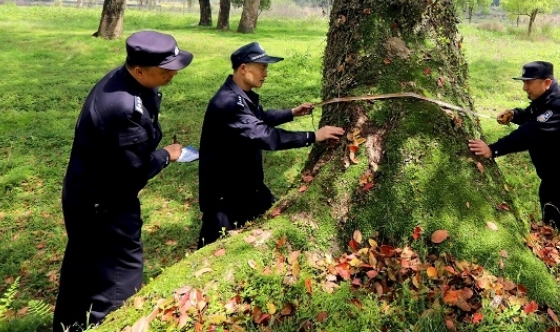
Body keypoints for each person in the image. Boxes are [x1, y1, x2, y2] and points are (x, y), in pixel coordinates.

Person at [53, 31, 192, 332]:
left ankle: (70, 326)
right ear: (140, 70)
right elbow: (135, 171)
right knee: (119, 277)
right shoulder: (122, 109)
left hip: (84, 192)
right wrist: (167, 155)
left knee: (83, 266)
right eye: (166, 70)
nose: (173, 74)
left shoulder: (130, 81)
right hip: (105, 205)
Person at [198, 42, 345, 247]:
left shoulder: (240, 95)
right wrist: (313, 136)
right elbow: (265, 136)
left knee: (272, 217)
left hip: (248, 189)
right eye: (262, 67)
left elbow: (260, 118)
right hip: (225, 199)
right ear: (243, 68)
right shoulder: (227, 103)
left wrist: (292, 112)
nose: (265, 73)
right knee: (213, 250)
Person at [468, 61, 560, 256]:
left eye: (529, 82)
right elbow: (532, 114)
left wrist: (492, 150)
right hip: (551, 182)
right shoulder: (545, 98)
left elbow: (531, 133)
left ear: (546, 82)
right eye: (524, 82)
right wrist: (514, 114)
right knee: (551, 230)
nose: (524, 87)